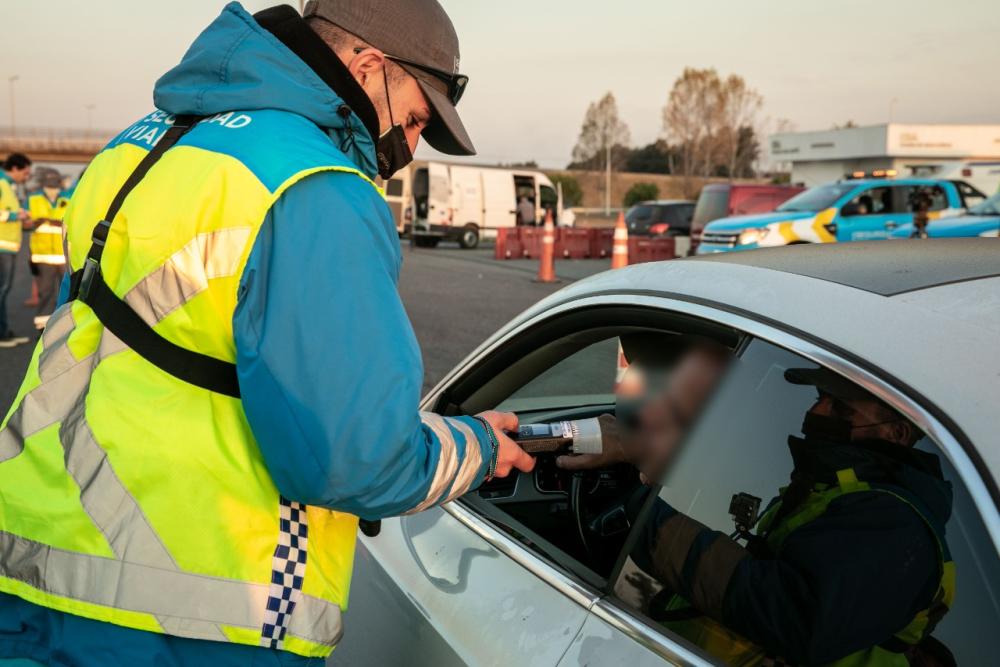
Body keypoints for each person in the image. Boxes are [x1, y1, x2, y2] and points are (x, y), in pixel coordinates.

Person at [0, 2, 534, 666]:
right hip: (189, 615)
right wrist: (478, 445)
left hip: (30, 567)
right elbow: (356, 458)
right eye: (418, 117)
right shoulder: (313, 186)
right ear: (370, 69)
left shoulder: (135, 145)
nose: (412, 143)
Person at [559, 347, 954, 666]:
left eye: (841, 410)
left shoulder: (894, 524)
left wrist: (650, 519)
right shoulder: (831, 492)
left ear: (897, 433)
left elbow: (794, 616)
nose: (816, 413)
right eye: (820, 399)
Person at [26, 170, 71, 330]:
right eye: (49, 185)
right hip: (42, 257)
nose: (52, 188)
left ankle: (64, 327)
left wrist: (47, 221)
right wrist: (35, 223)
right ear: (43, 185)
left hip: (64, 257)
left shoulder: (69, 198)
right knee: (46, 295)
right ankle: (42, 329)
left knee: (68, 294)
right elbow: (26, 224)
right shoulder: (33, 200)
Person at [0, 152, 32, 348]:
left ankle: (4, 331)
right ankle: (2, 335)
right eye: (26, 173)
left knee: (3, 291)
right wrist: (16, 215)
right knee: (1, 291)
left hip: (8, 246)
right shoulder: (1, 185)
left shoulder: (8, 186)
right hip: (2, 246)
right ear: (14, 169)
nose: (26, 177)